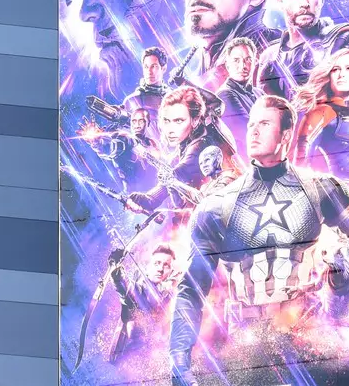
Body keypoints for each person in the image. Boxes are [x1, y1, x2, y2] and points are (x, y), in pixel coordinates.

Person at [168, 96, 349, 386]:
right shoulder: (216, 207)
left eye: (264, 123)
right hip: (248, 348)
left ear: (286, 135)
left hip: (311, 337)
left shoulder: (319, 189)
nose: (253, 131)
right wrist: (179, 361)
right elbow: (190, 291)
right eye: (251, 124)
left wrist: (344, 273)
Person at [125, 86, 236, 219]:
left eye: (178, 121)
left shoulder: (201, 144)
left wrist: (151, 199)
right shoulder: (191, 134)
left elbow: (179, 173)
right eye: (166, 121)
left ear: (195, 120)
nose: (170, 129)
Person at [294, 48, 349, 183]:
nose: (341, 74)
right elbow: (300, 164)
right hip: (338, 196)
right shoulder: (322, 112)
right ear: (329, 75)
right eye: (335, 69)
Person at [257, 0, 341, 97]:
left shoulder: (340, 42)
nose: (305, 4)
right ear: (281, 1)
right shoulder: (269, 56)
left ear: (322, 0)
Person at [110, 244, 182, 360]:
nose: (160, 269)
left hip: (154, 354)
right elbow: (125, 287)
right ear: (148, 267)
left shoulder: (166, 289)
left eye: (166, 265)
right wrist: (115, 268)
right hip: (129, 357)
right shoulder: (138, 290)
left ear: (170, 271)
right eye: (157, 263)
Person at [213, 36, 261, 146]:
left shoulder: (260, 93)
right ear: (227, 65)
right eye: (236, 60)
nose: (242, 66)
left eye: (248, 59)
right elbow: (248, 132)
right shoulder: (225, 95)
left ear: (255, 62)